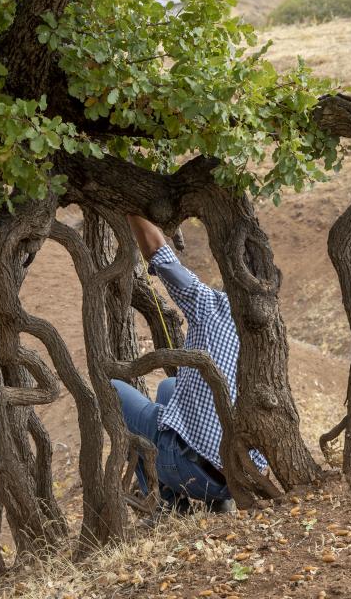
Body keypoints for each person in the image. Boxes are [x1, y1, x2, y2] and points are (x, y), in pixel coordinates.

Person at [110, 215, 266, 513]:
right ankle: (218, 502)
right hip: (240, 479)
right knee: (169, 386)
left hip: (187, 468)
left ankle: (164, 504)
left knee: (112, 389)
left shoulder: (211, 304)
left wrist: (130, 209)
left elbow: (159, 252)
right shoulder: (270, 332)